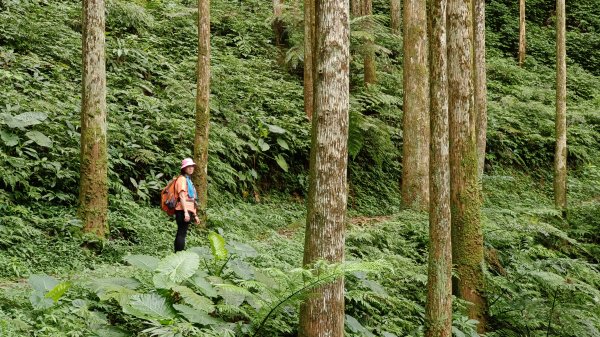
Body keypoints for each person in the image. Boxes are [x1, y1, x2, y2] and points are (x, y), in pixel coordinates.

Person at [174, 158, 200, 252]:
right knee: (181, 232)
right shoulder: (181, 179)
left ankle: (178, 254)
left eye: (192, 166)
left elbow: (192, 199)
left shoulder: (188, 180)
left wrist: (195, 215)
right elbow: (182, 196)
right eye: (188, 166)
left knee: (182, 233)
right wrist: (185, 212)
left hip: (188, 210)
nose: (191, 168)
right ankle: (178, 254)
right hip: (182, 210)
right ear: (184, 168)